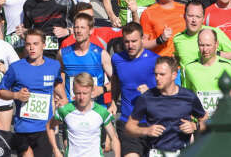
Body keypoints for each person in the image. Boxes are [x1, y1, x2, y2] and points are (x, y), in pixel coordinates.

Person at [124, 57, 206, 157]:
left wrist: (194, 126)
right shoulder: (147, 97)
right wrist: (146, 130)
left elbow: (205, 120)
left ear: (174, 75)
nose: (157, 78)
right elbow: (129, 127)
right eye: (156, 74)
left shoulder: (189, 96)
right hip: (156, 153)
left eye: (162, 74)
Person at [0, 30, 62, 157]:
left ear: (44, 45)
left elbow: (57, 83)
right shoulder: (16, 67)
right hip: (23, 129)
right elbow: (1, 92)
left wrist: (63, 99)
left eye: (35, 44)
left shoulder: (54, 65)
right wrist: (16, 95)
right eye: (28, 44)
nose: (31, 48)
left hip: (45, 129)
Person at [109, 23, 156, 157]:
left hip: (152, 122)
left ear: (142, 39)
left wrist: (151, 92)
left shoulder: (155, 60)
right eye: (127, 42)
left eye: (134, 41)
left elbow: (167, 90)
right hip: (128, 122)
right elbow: (116, 81)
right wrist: (113, 101)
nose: (130, 45)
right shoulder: (117, 59)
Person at [48, 73, 119, 157]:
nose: (81, 97)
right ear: (73, 91)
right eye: (78, 93)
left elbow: (114, 139)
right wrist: (55, 149)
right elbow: (49, 127)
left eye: (85, 93)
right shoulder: (65, 110)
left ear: (92, 92)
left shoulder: (101, 111)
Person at [181, 28, 231, 119]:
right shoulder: (189, 68)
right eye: (201, 45)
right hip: (201, 121)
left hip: (223, 119)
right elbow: (186, 97)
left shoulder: (228, 65)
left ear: (216, 44)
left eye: (208, 45)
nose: (205, 49)